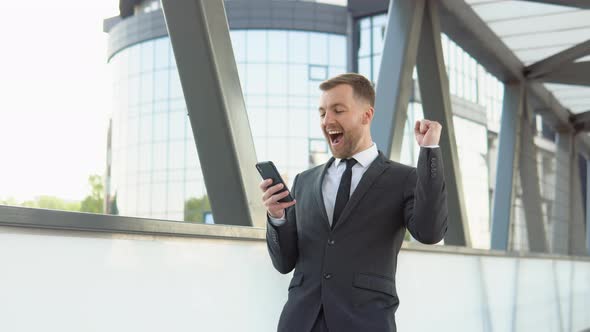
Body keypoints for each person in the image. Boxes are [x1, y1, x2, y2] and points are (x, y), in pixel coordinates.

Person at [259, 73, 448, 332]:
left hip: (365, 322)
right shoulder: (304, 181)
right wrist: (277, 217)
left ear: (366, 116)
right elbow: (284, 263)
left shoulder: (403, 179)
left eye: (338, 110)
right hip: (300, 322)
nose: (328, 121)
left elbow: (430, 232)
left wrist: (429, 153)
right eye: (322, 113)